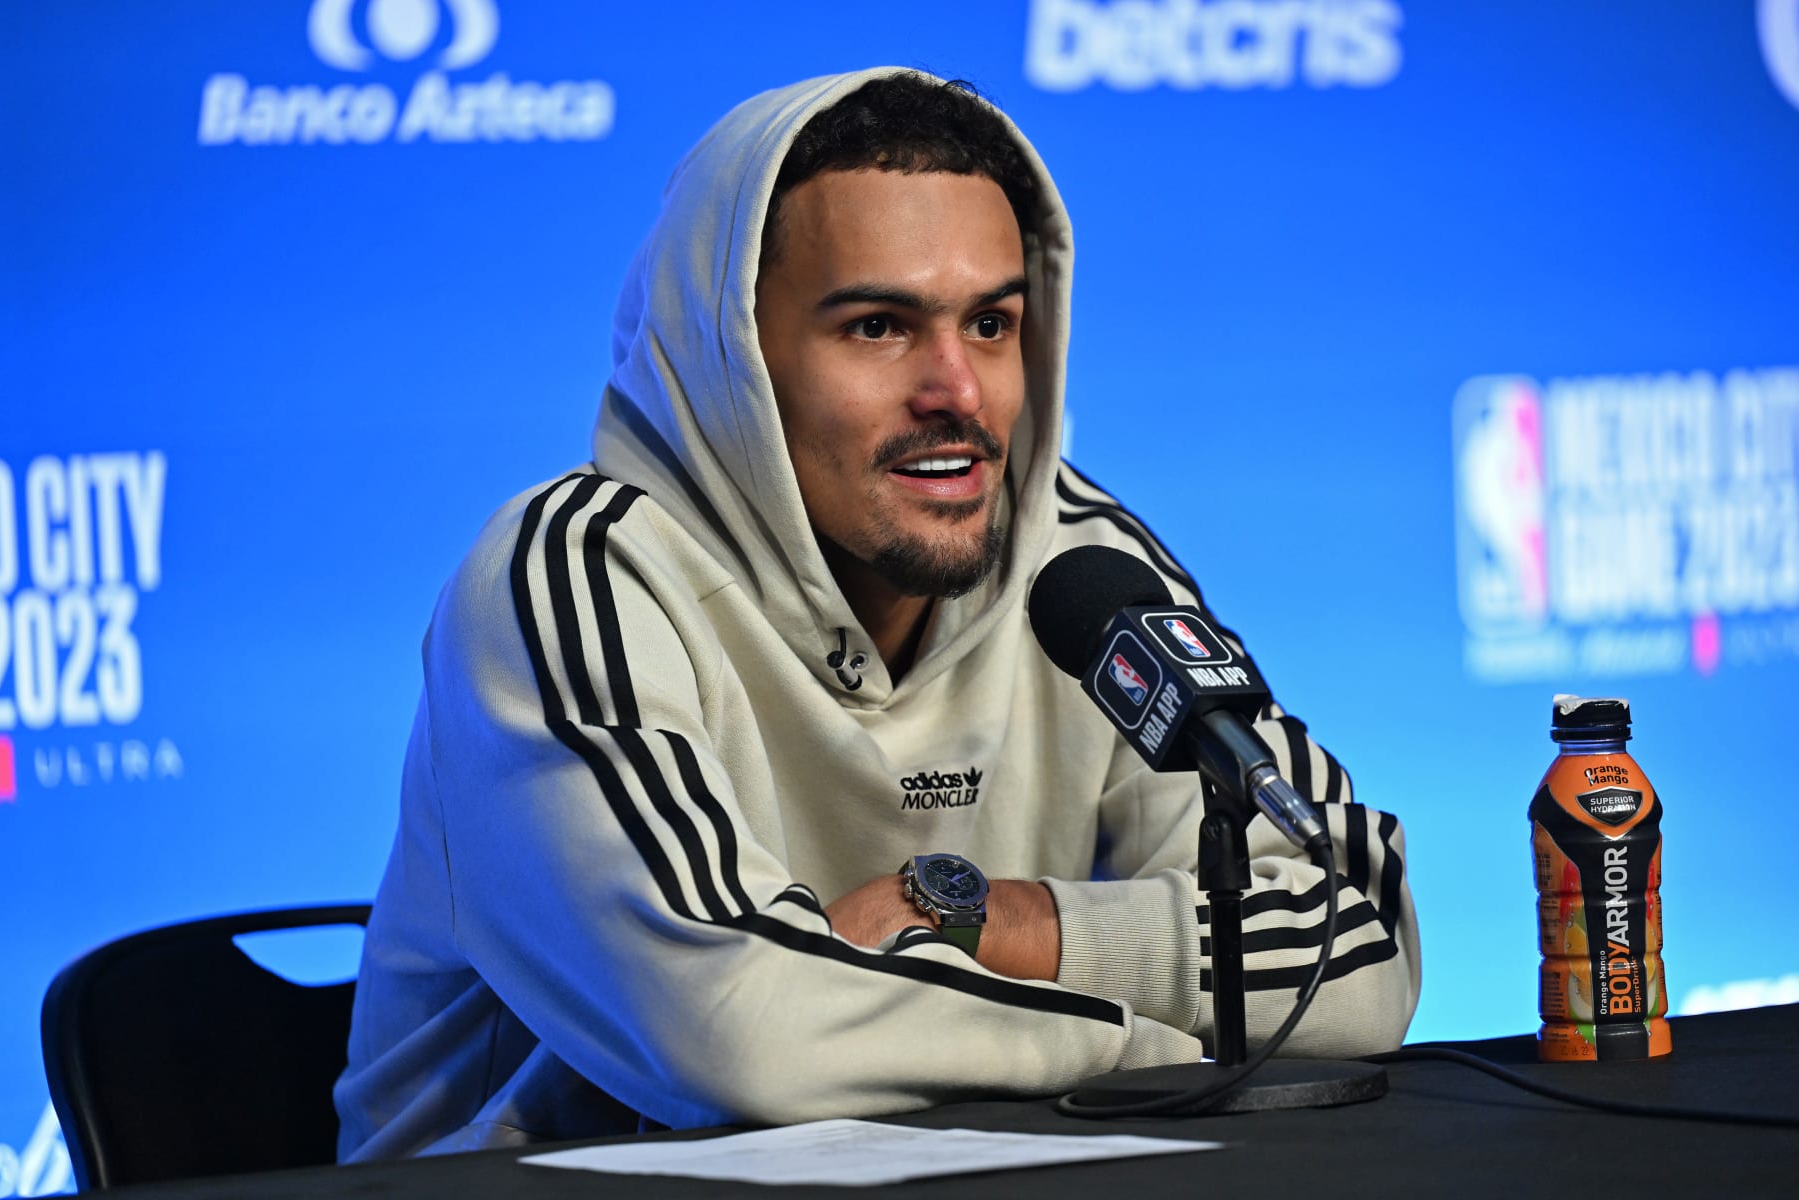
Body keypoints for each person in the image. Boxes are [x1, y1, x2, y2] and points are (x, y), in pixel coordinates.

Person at [334, 67, 1420, 1161]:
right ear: (733, 356)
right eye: (878, 328)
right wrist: (1168, 1048)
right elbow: (743, 1035)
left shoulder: (1083, 563)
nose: (959, 388)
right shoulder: (570, 575)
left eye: (992, 323)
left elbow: (1358, 947)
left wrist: (996, 920)